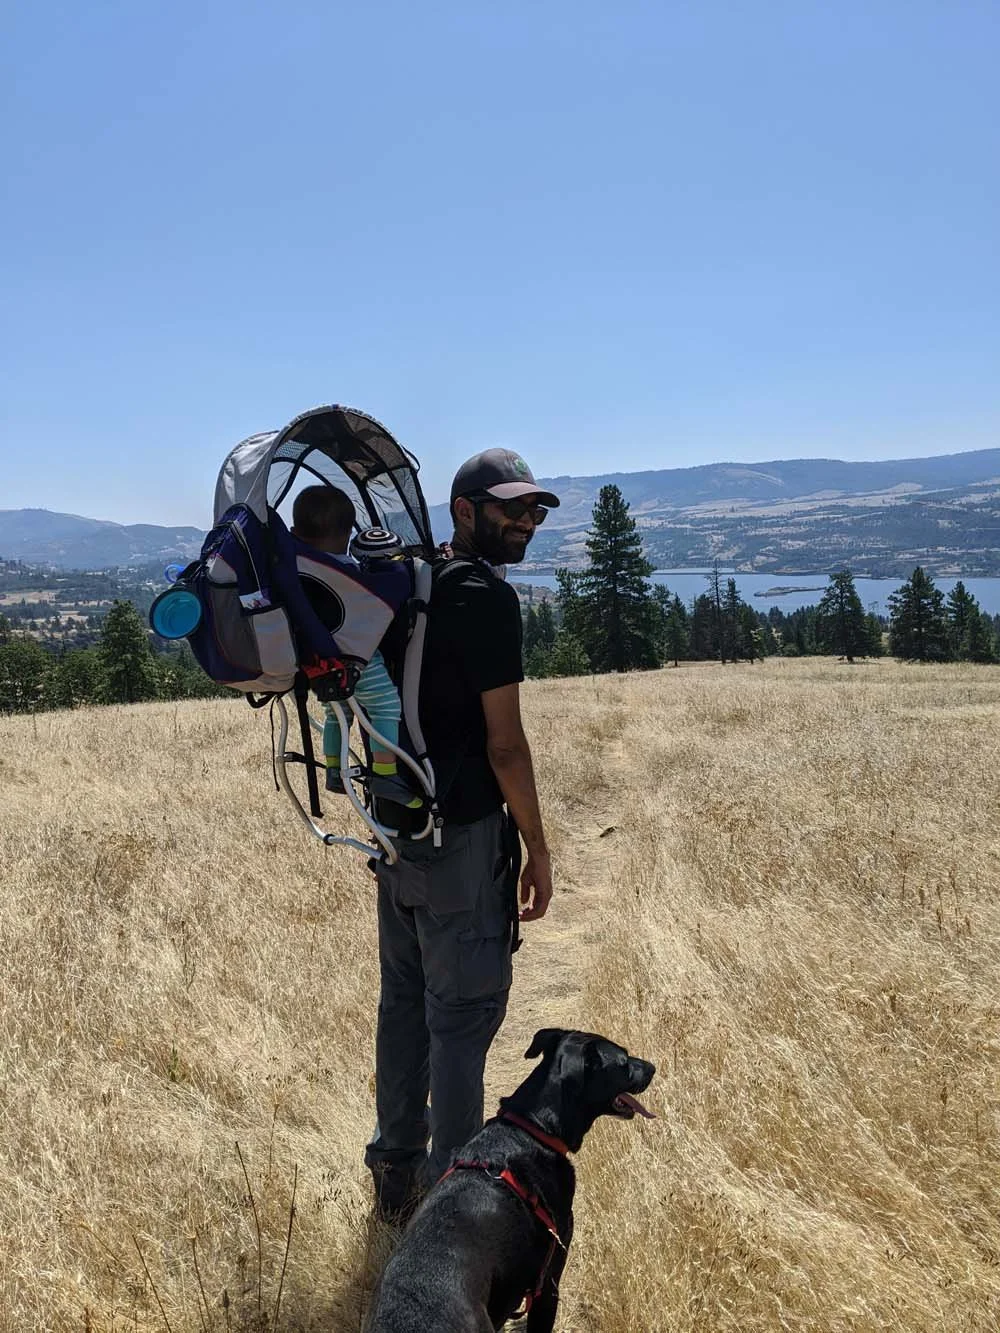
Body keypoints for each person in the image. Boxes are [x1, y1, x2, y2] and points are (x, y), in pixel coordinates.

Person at [364, 447, 559, 1220]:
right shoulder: (484, 596)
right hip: (463, 842)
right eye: (511, 508)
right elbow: (504, 744)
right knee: (460, 1020)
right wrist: (538, 847)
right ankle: (449, 1209)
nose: (526, 521)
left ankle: (393, 1181)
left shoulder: (408, 587)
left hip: (397, 832)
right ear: (463, 510)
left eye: (536, 510)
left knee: (403, 1006)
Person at [290, 485, 418, 806]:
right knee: (386, 706)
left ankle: (334, 769)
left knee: (338, 714)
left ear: (294, 531)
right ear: (349, 533)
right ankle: (386, 776)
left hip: (317, 664)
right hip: (357, 662)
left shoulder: (292, 569)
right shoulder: (347, 573)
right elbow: (389, 590)